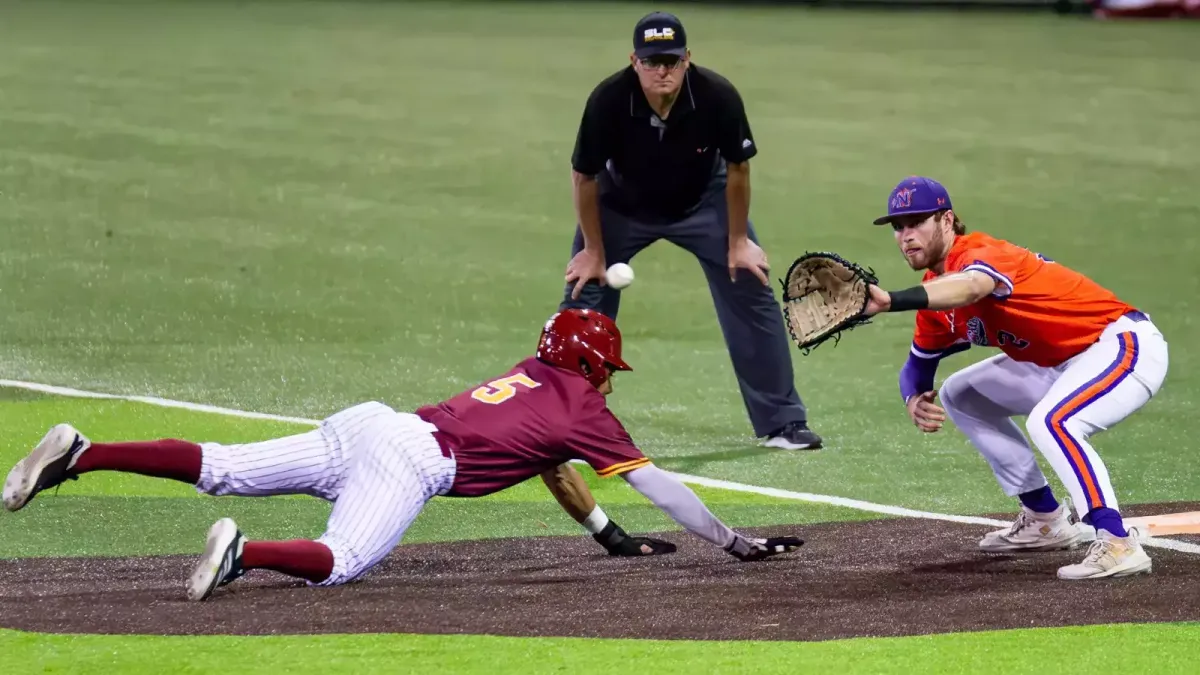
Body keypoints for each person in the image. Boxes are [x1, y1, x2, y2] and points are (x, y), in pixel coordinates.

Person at [2, 309, 803, 601]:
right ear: (592, 364)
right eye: (607, 368)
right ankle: (244, 552)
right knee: (341, 560)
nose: (609, 380)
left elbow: (549, 464)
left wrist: (608, 535)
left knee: (222, 463)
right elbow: (662, 487)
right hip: (412, 462)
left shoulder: (531, 376)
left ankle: (84, 453)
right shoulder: (584, 407)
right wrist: (735, 541)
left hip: (371, 424)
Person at [862, 176, 1167, 580]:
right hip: (1059, 362)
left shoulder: (983, 254)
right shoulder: (934, 294)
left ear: (947, 220)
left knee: (1053, 422)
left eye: (917, 222)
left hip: (1121, 345)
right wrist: (913, 397)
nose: (906, 236)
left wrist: (892, 301)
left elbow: (972, 288)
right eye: (899, 227)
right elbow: (918, 365)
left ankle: (1116, 542)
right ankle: (1044, 520)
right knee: (961, 394)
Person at [560, 11, 821, 451]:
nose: (662, 70)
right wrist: (593, 251)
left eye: (671, 61)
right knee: (582, 296)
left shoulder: (717, 95)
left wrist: (738, 243)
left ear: (687, 59)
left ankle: (783, 423)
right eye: (652, 61)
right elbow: (583, 176)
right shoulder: (608, 99)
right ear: (634, 61)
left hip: (703, 201)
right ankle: (563, 423)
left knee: (751, 282)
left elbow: (738, 168)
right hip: (620, 206)